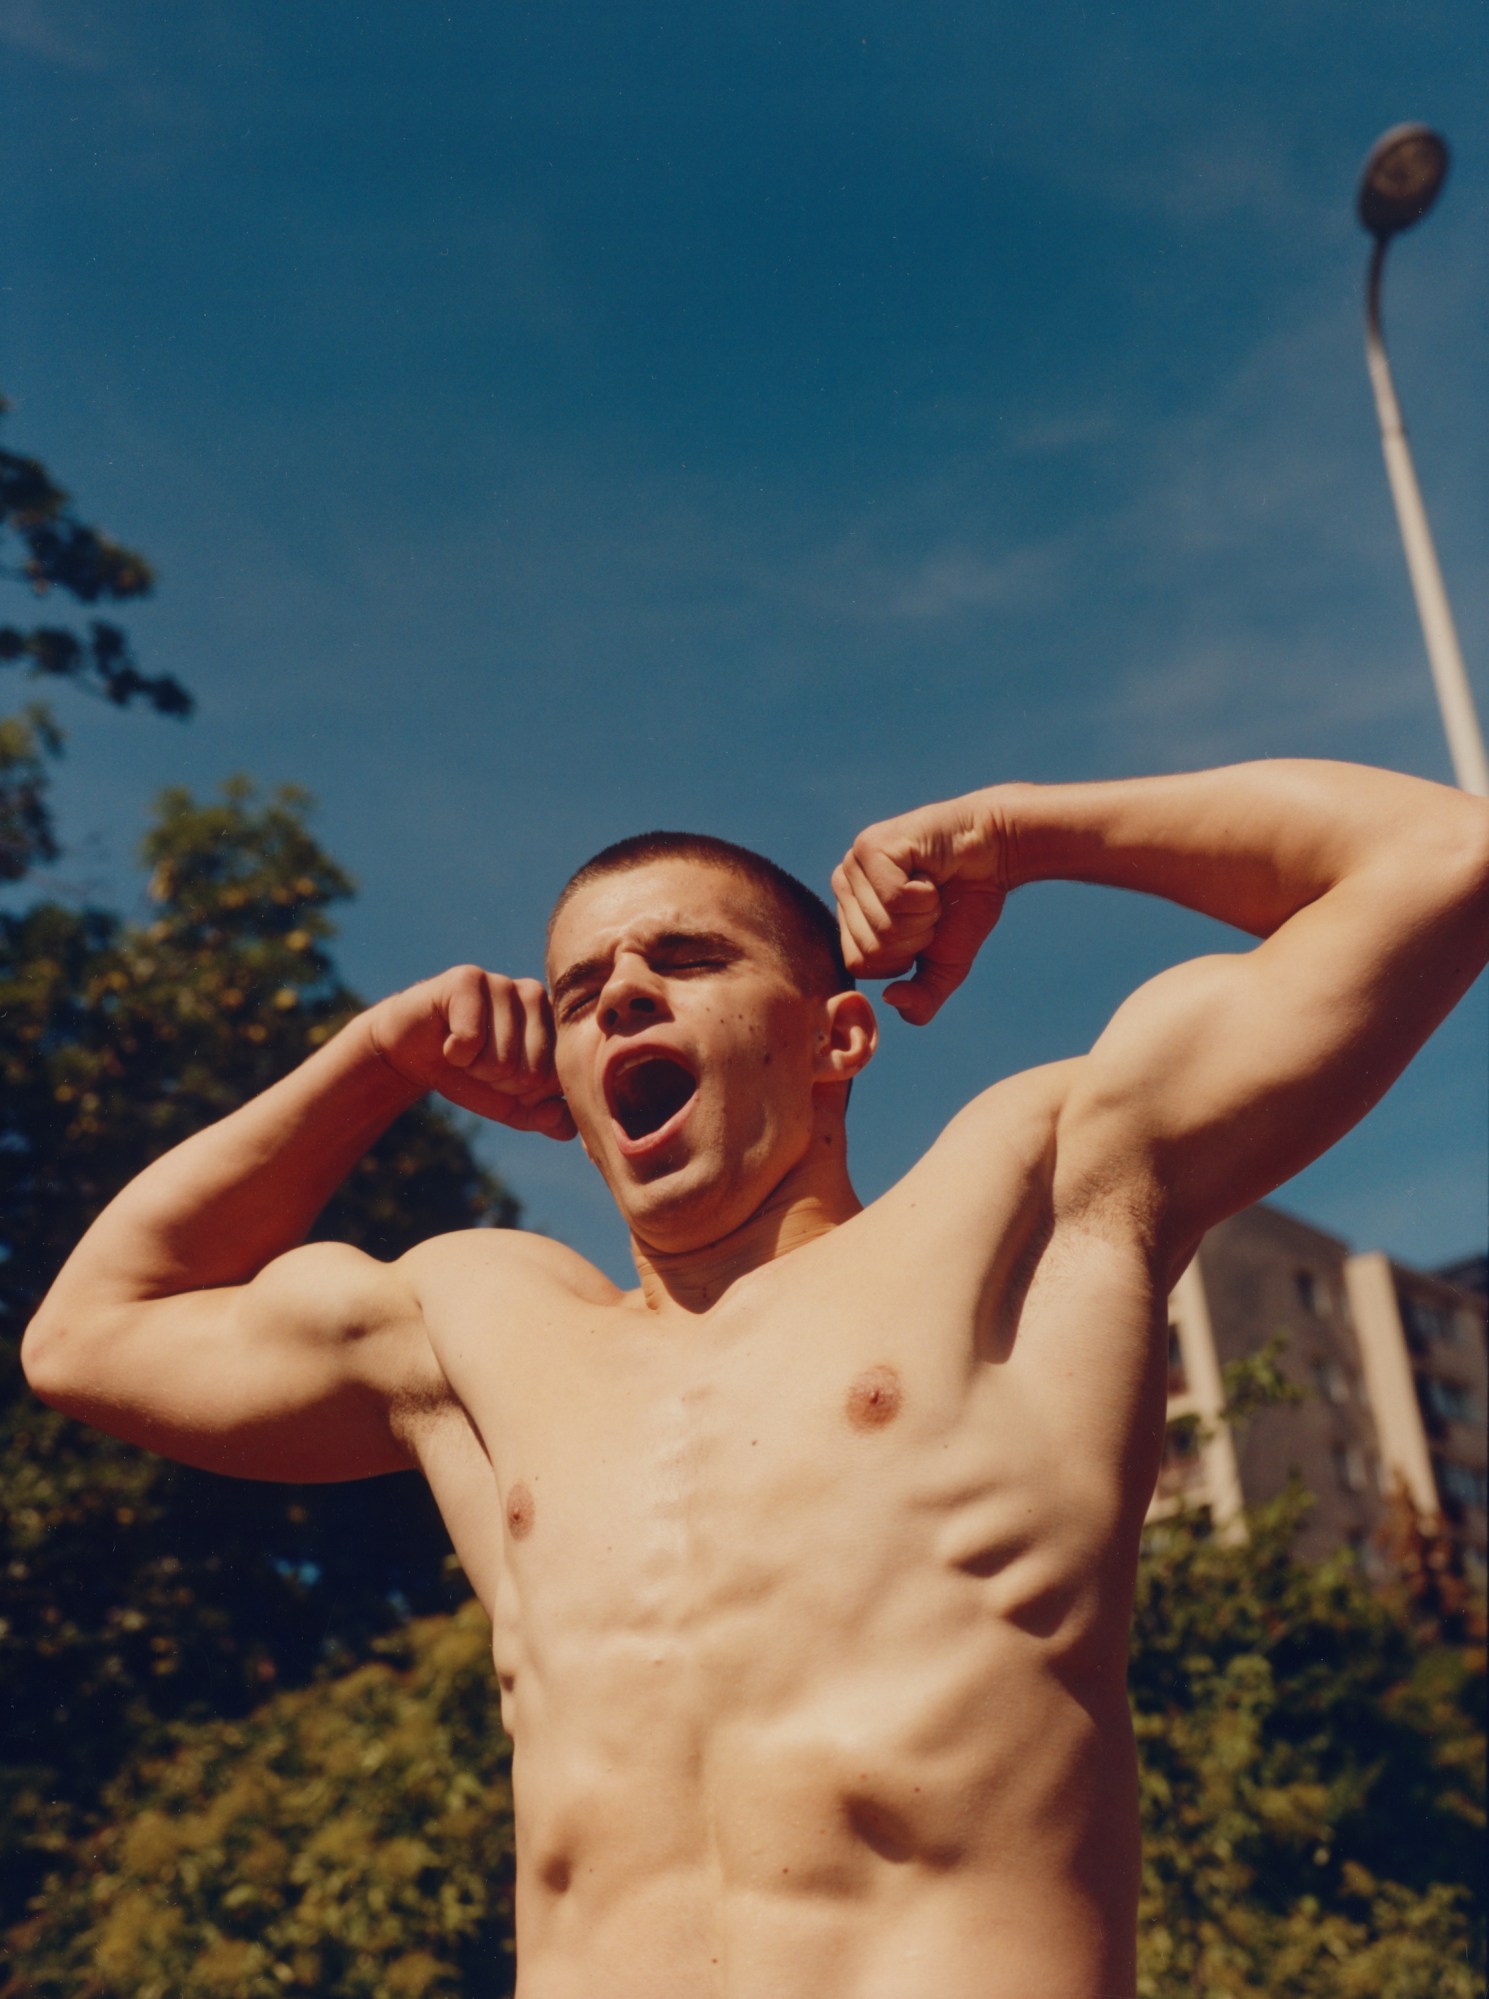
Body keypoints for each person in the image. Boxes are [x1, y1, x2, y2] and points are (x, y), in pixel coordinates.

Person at [23, 759, 1489, 1998]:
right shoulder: (481, 1331)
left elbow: (1441, 856)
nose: (620, 999)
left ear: (837, 1031)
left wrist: (1016, 832)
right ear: (571, 1096)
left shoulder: (1021, 1206)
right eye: (579, 988)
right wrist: (375, 1055)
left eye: (687, 959)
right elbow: (87, 1336)